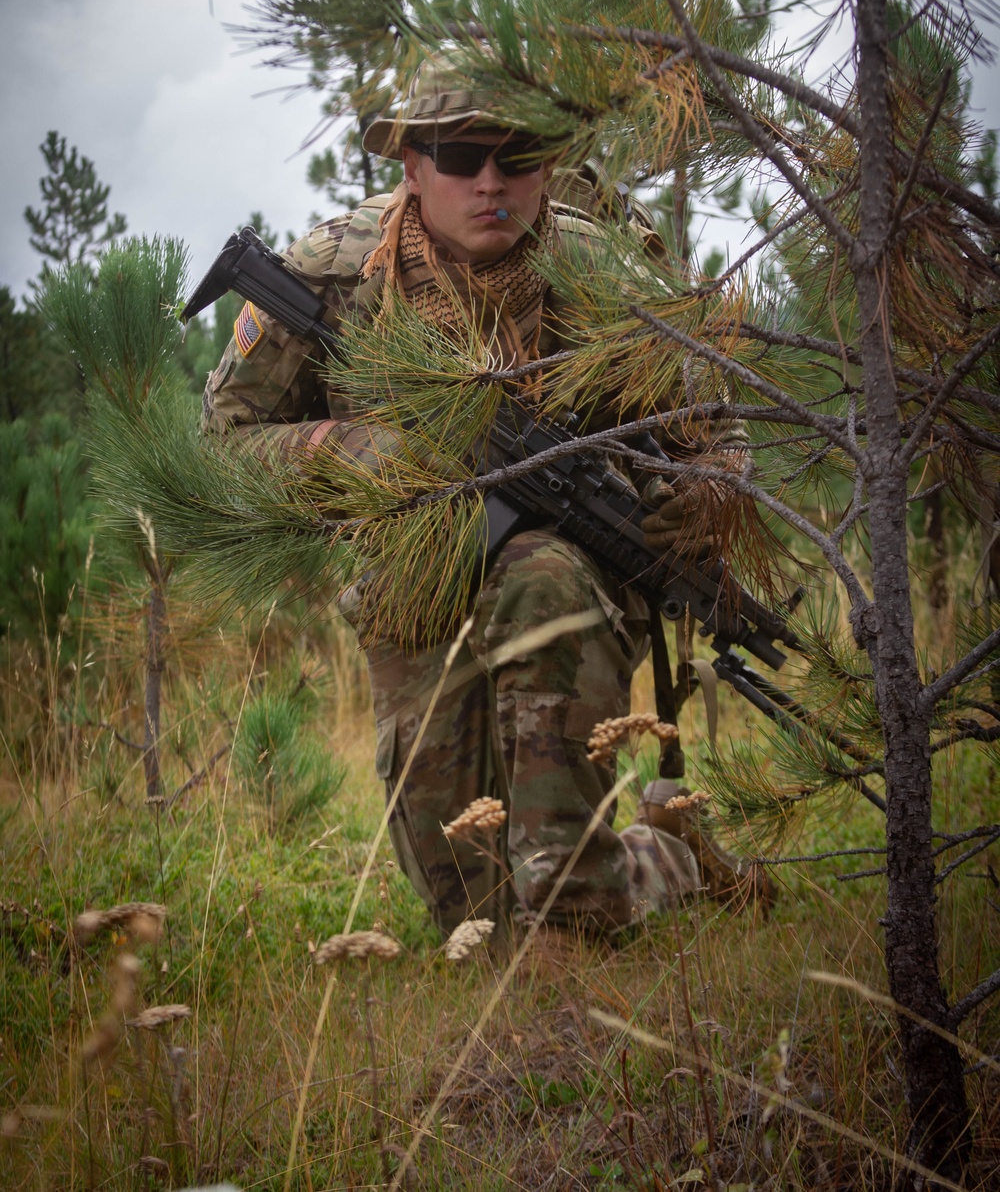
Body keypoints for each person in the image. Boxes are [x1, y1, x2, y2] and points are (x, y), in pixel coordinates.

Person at [202, 59, 759, 939]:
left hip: (571, 579)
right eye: (461, 156)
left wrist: (703, 495)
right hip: (413, 586)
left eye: (519, 156)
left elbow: (716, 430)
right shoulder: (339, 273)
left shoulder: (600, 272)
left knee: (542, 576)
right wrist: (339, 445)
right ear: (413, 167)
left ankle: (579, 922)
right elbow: (222, 447)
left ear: (548, 165)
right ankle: (670, 852)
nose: (491, 182)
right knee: (480, 919)